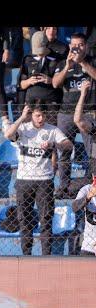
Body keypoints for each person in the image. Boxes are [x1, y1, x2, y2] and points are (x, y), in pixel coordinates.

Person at [5, 103, 72, 255]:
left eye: (43, 115)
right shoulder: (23, 128)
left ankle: (46, 255)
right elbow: (8, 135)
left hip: (44, 181)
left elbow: (68, 145)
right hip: (24, 180)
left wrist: (53, 144)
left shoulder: (52, 130)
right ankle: (26, 254)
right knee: (24, 218)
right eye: (37, 115)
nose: (40, 119)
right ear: (31, 115)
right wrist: (22, 117)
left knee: (46, 219)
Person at [52, 32, 96, 199]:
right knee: (63, 151)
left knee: (92, 152)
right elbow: (55, 83)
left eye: (79, 45)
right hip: (66, 112)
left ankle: (90, 186)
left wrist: (83, 63)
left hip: (88, 112)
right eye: (73, 45)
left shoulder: (92, 61)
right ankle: (63, 187)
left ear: (85, 46)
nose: (76, 48)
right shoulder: (64, 62)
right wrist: (67, 67)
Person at [18, 31, 62, 119]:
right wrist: (29, 81)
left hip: (50, 104)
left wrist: (50, 80)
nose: (39, 53)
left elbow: (61, 84)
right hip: (31, 103)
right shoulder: (27, 59)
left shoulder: (57, 59)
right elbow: (20, 85)